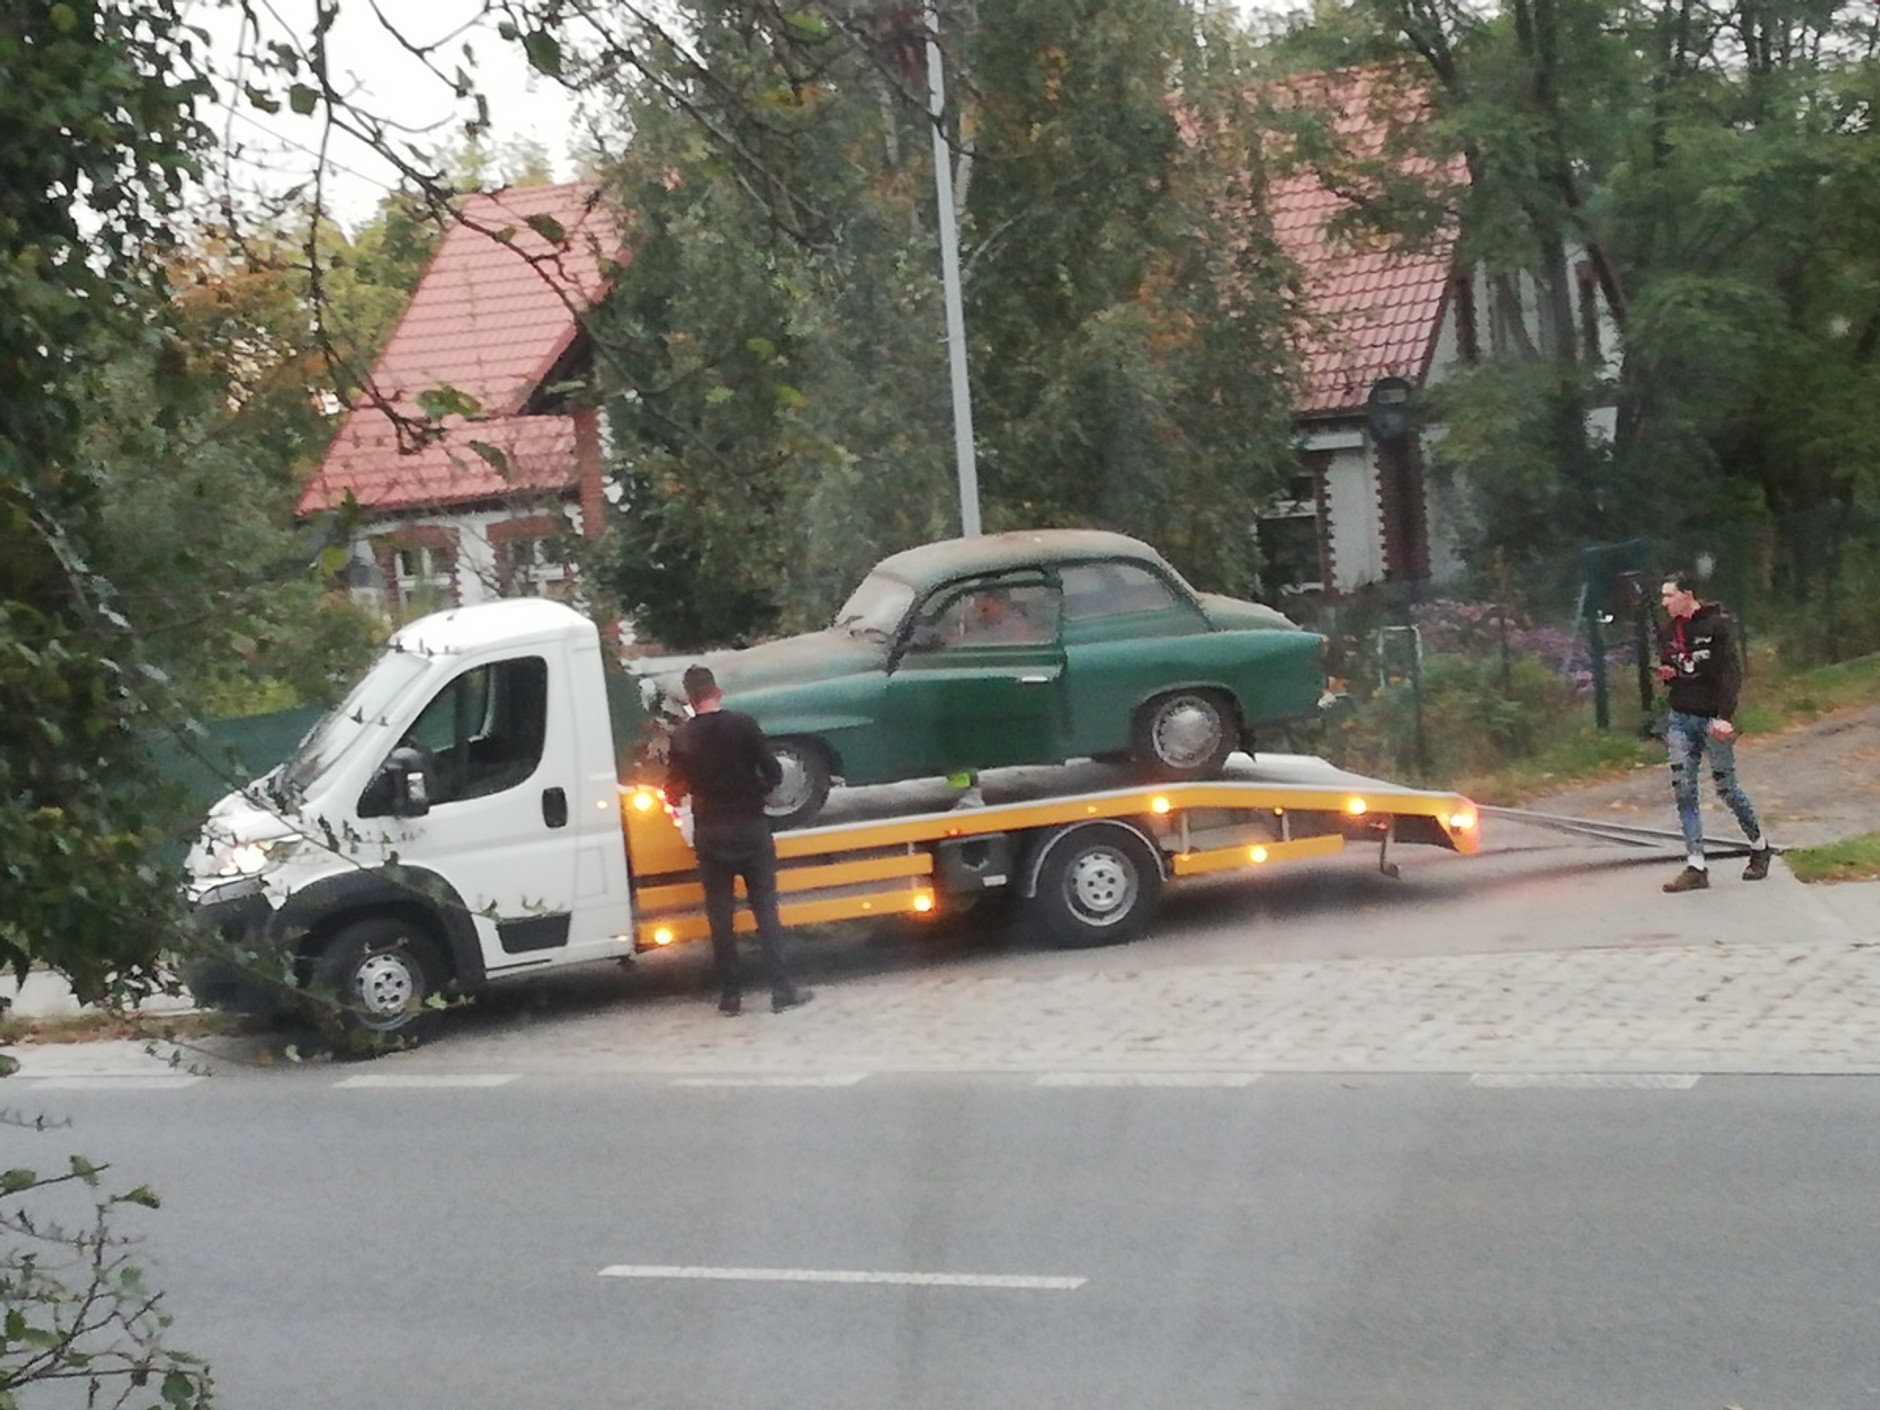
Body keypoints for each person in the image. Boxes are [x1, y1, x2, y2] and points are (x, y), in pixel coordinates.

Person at [663, 665, 814, 1015]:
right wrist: (756, 790)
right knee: (765, 911)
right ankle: (782, 991)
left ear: (689, 699)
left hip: (711, 834)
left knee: (720, 917)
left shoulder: (682, 738)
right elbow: (773, 772)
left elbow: (673, 790)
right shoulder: (743, 725)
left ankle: (731, 997)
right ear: (718, 692)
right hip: (750, 828)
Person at [1656, 573, 1772, 893]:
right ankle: (1696, 865)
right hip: (1681, 717)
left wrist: (1724, 717)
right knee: (1684, 787)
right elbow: (1675, 669)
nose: (1664, 602)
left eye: (1669, 596)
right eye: (1663, 597)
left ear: (1687, 594)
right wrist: (1669, 675)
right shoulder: (1668, 633)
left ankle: (1759, 846)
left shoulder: (1716, 626)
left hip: (1711, 719)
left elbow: (1729, 674)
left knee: (1727, 788)